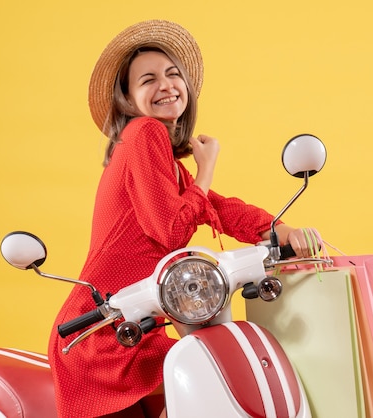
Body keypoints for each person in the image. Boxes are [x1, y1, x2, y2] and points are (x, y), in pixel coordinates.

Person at [48, 19, 320, 418]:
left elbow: (217, 207)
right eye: (148, 79)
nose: (166, 85)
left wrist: (279, 229)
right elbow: (171, 230)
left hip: (142, 331)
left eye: (173, 74)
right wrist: (207, 168)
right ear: (126, 97)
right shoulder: (144, 134)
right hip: (103, 335)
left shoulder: (163, 159)